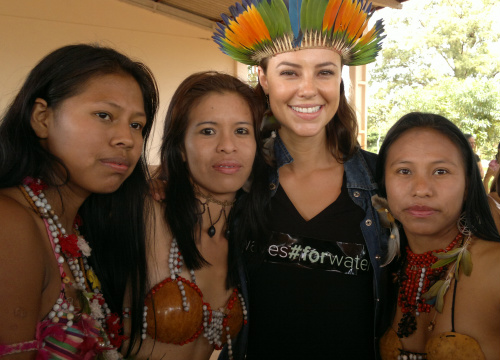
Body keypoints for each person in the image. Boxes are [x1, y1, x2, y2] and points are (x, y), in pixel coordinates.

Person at [213, 1, 389, 358]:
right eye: (289, 73)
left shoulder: (382, 180)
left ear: (339, 79)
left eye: (324, 72)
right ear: (263, 78)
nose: (308, 89)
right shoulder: (236, 182)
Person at [0, 44, 158, 359]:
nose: (125, 138)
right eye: (104, 115)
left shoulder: (74, 227)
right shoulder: (10, 223)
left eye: (136, 124)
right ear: (42, 118)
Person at [130, 71, 270, 360]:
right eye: (208, 131)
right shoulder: (146, 209)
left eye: (242, 131)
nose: (227, 146)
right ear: (180, 146)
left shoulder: (251, 231)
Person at [375, 112, 500, 359]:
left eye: (441, 171)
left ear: (467, 186)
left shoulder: (496, 268)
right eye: (404, 171)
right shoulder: (382, 268)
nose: (421, 189)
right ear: (383, 184)